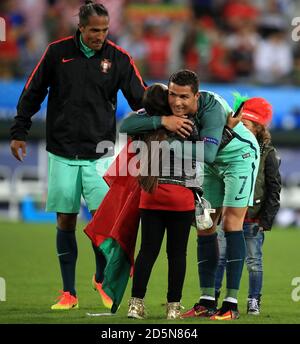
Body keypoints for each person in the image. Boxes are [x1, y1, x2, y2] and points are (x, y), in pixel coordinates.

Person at [10, 0, 146, 310]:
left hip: (100, 153)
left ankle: (100, 276)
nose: (100, 36)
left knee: (103, 222)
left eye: (105, 30)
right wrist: (19, 132)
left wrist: (161, 113)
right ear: (80, 28)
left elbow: (141, 96)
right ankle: (68, 293)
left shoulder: (119, 58)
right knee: (66, 220)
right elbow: (33, 91)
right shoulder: (57, 53)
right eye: (94, 30)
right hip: (61, 151)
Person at [119, 69, 260, 320]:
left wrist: (164, 143)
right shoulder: (171, 110)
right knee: (205, 227)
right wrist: (161, 122)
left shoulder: (212, 109)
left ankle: (231, 304)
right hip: (211, 164)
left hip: (239, 157)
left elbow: (207, 154)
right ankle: (206, 300)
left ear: (196, 96)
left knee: (230, 224)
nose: (177, 102)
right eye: (173, 95)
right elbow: (127, 124)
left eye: (184, 97)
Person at [120, 83, 201, 320]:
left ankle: (135, 305)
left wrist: (157, 119)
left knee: (147, 253)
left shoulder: (144, 127)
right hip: (181, 198)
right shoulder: (188, 124)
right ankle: (173, 308)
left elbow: (126, 124)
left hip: (151, 196)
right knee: (177, 255)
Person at [215, 94, 281, 315]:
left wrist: (266, 220)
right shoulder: (229, 148)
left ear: (259, 128)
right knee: (220, 258)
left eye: (246, 124)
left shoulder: (268, 154)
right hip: (229, 216)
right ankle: (212, 296)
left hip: (252, 219)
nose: (241, 128)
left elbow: (274, 188)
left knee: (254, 262)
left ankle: (253, 300)